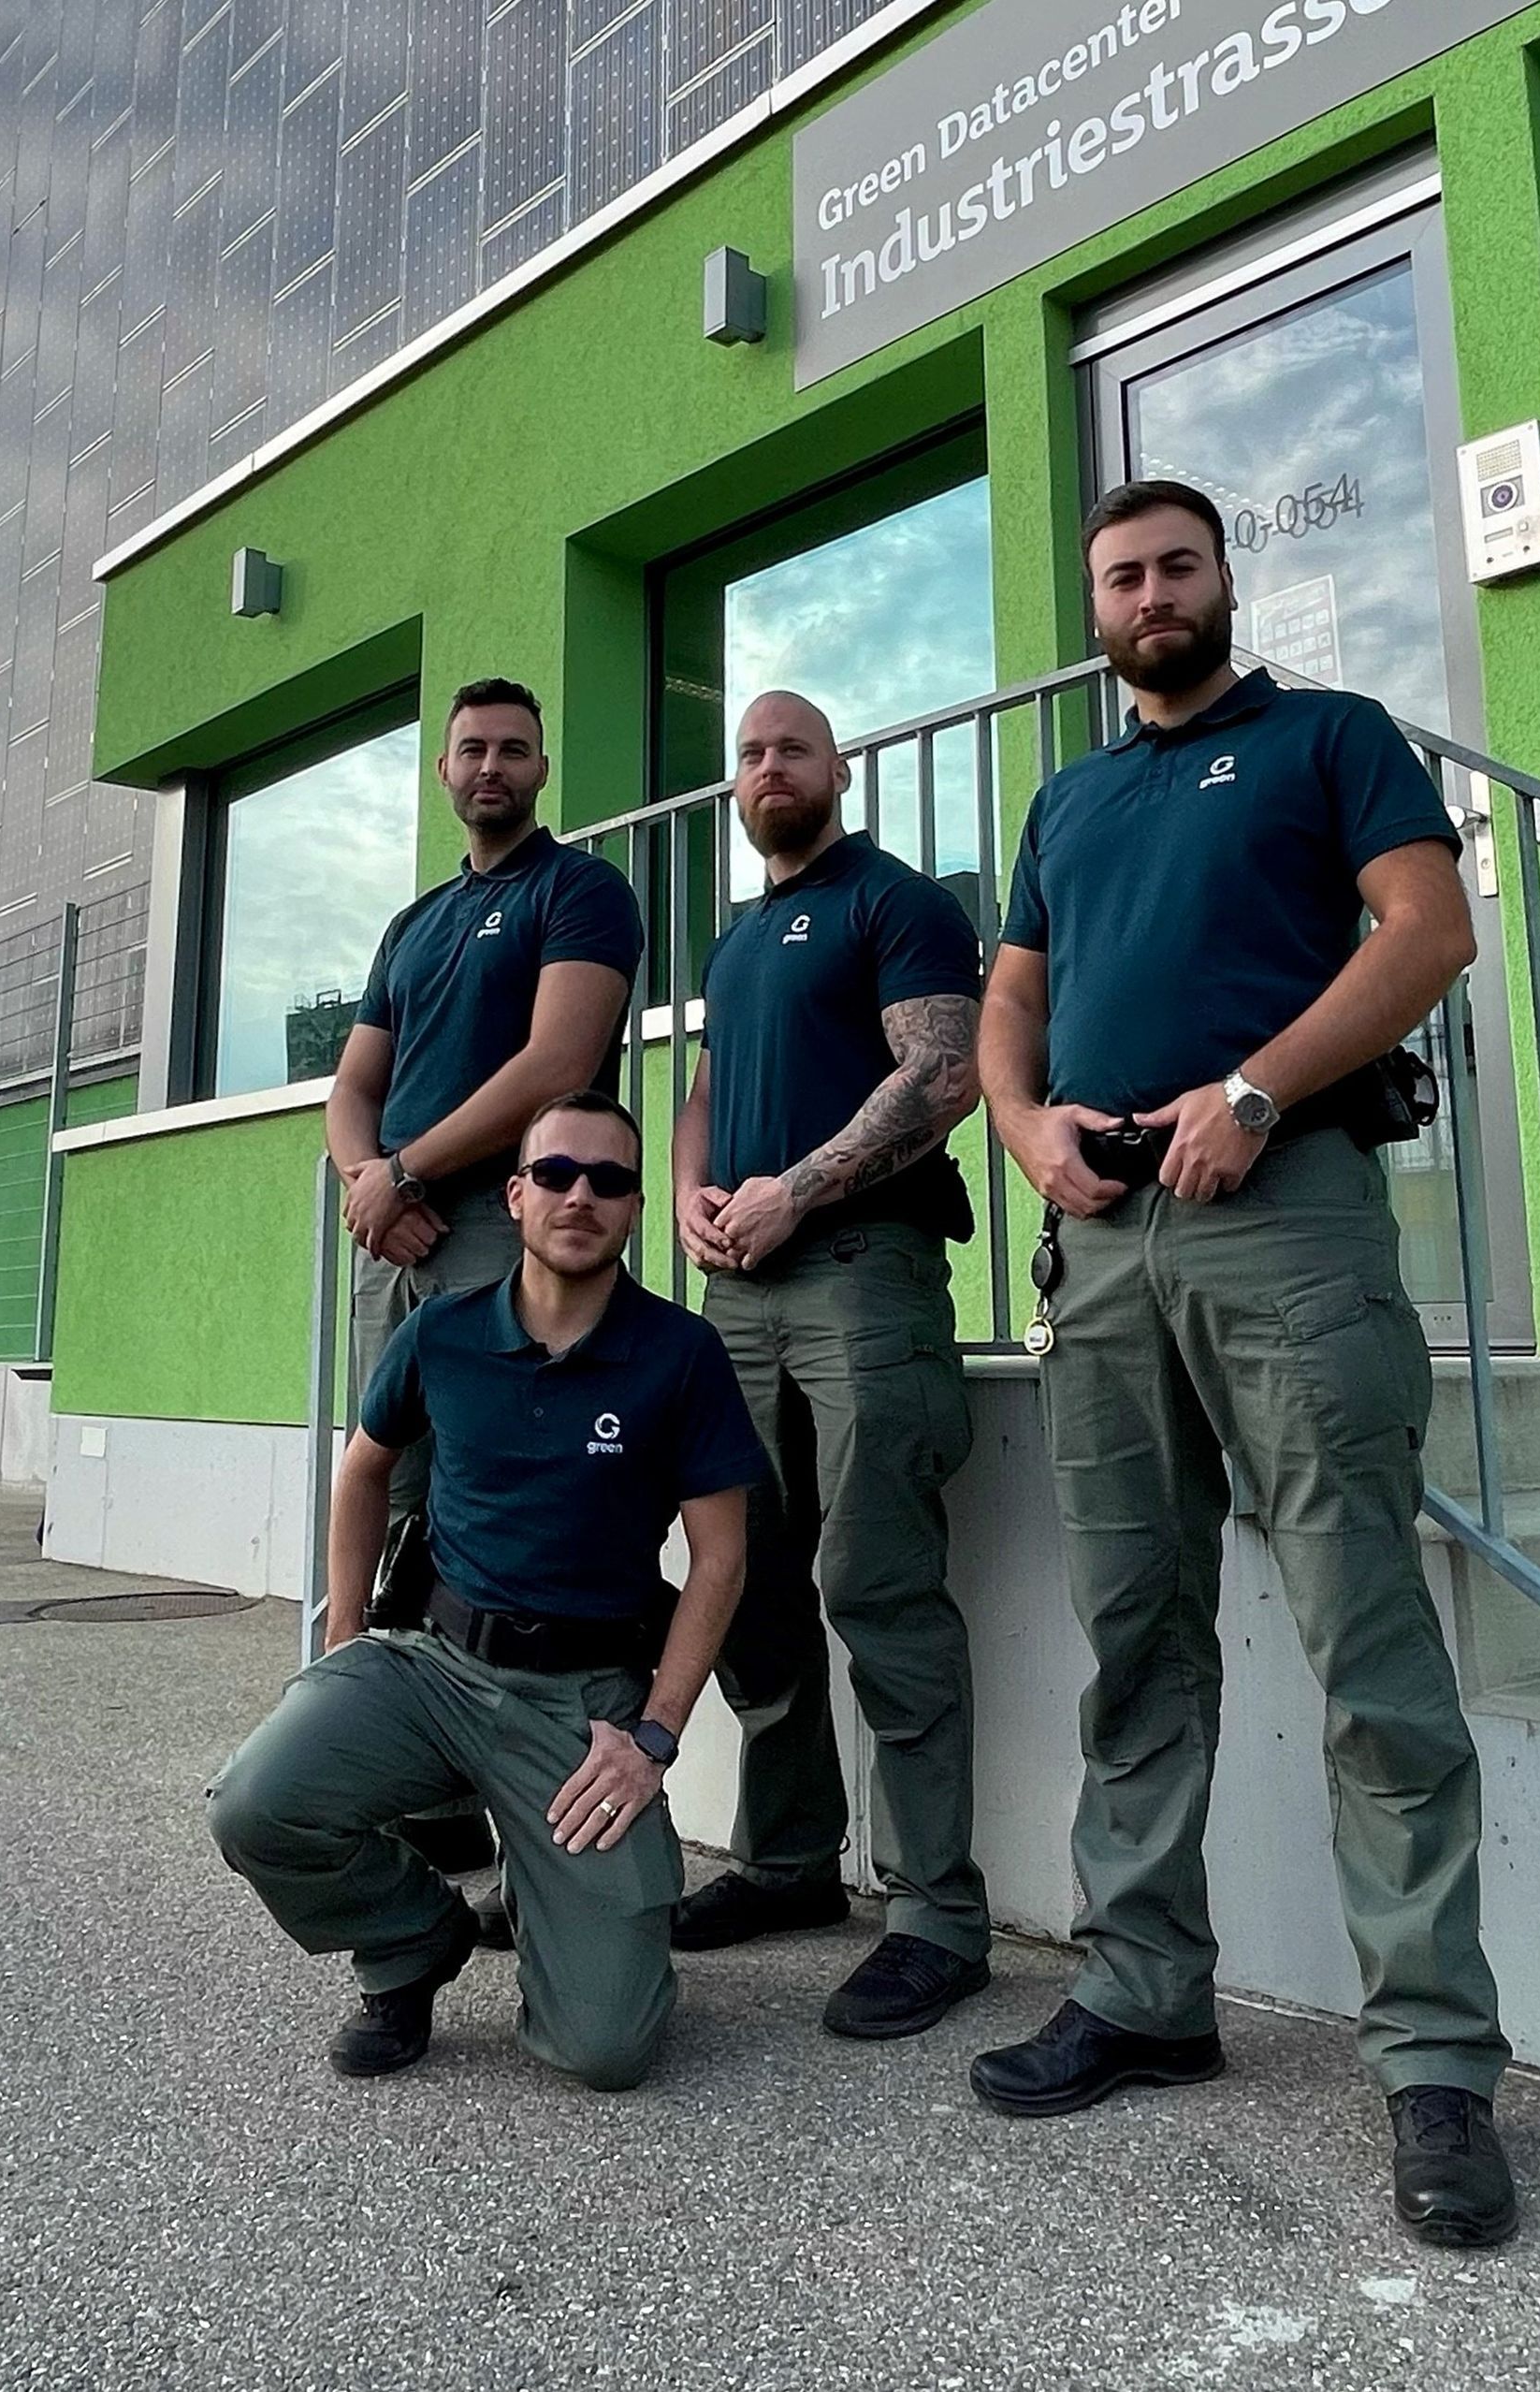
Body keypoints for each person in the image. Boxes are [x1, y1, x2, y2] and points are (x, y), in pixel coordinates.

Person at [973, 478, 1518, 2248]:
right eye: (1118, 575)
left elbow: (1424, 933)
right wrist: (1020, 1126)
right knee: (1135, 1632)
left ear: (1223, 580)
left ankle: (1431, 2060)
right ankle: (1143, 1990)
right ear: (1097, 606)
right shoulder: (1064, 797)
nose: (1147, 595)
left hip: (1280, 1215)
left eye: (1173, 567)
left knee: (1362, 1627)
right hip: (1104, 1236)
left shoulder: (1329, 741)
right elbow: (1009, 1002)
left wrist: (1259, 1089)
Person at [207, 1092, 764, 2091]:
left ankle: (552, 1892)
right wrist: (343, 1636)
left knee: (604, 2050)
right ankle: (410, 1940)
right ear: (513, 1196)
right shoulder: (440, 1334)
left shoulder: (681, 1356)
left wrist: (653, 1739)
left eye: (609, 1179)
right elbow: (362, 1469)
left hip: (580, 1704)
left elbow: (719, 1557)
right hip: (434, 1663)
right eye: (554, 1173)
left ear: (636, 1207)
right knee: (256, 1804)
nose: (579, 1195)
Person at [664, 690, 995, 2041]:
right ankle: (788, 1862)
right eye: (747, 755)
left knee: (877, 1583)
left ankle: (935, 1913)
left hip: (862, 1278)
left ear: (837, 771)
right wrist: (690, 1192)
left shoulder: (896, 902)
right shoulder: (738, 939)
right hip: (738, 1292)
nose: (766, 769)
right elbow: (704, 1089)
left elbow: (946, 1076)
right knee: (744, 1585)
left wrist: (798, 1188)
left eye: (790, 748)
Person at [324, 676, 641, 1884]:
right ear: (444, 772)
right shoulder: (411, 928)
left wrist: (401, 1170)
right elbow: (352, 1084)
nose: (492, 766)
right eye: (472, 750)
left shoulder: (579, 891)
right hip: (395, 1239)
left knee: (516, 1513)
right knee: (395, 1497)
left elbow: (558, 1060)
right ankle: (408, 1788)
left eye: (514, 749)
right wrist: (369, 1180)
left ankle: (534, 1837)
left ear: (541, 771)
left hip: (506, 1237)